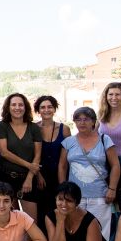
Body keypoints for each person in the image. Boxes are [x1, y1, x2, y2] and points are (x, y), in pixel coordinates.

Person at [58, 106, 121, 240]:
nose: (82, 123)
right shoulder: (68, 142)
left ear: (93, 121)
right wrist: (63, 191)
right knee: (75, 230)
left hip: (100, 194)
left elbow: (115, 165)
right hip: (74, 196)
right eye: (78, 119)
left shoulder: (105, 140)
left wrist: (112, 189)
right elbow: (62, 166)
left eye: (86, 119)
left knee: (100, 231)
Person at [0, 93, 43, 221]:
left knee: (31, 221)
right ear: (8, 107)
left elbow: (37, 155)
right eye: (14, 104)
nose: (17, 108)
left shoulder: (34, 128)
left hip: (28, 177)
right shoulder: (2, 126)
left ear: (25, 107)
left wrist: (29, 177)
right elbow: (4, 152)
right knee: (11, 220)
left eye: (20, 104)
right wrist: (29, 165)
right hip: (5, 177)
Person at [34, 95, 71, 230]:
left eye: (50, 107)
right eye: (42, 107)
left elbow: (66, 158)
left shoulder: (64, 129)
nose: (46, 110)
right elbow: (32, 156)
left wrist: (63, 184)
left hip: (59, 176)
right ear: (38, 110)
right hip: (40, 178)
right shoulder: (34, 128)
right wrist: (38, 175)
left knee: (60, 211)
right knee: (42, 214)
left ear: (54, 109)